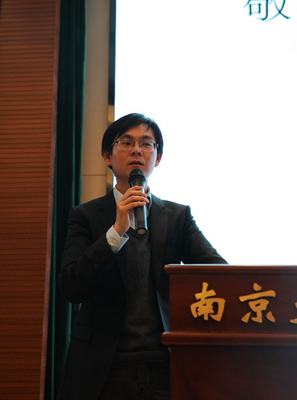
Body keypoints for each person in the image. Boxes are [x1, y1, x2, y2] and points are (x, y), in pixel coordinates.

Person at [57, 113, 227, 400]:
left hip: (166, 363)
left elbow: (218, 273)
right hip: (103, 366)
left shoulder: (178, 216)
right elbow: (71, 287)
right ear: (107, 156)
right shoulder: (85, 216)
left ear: (157, 159)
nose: (137, 150)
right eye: (126, 142)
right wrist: (116, 232)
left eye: (147, 144)